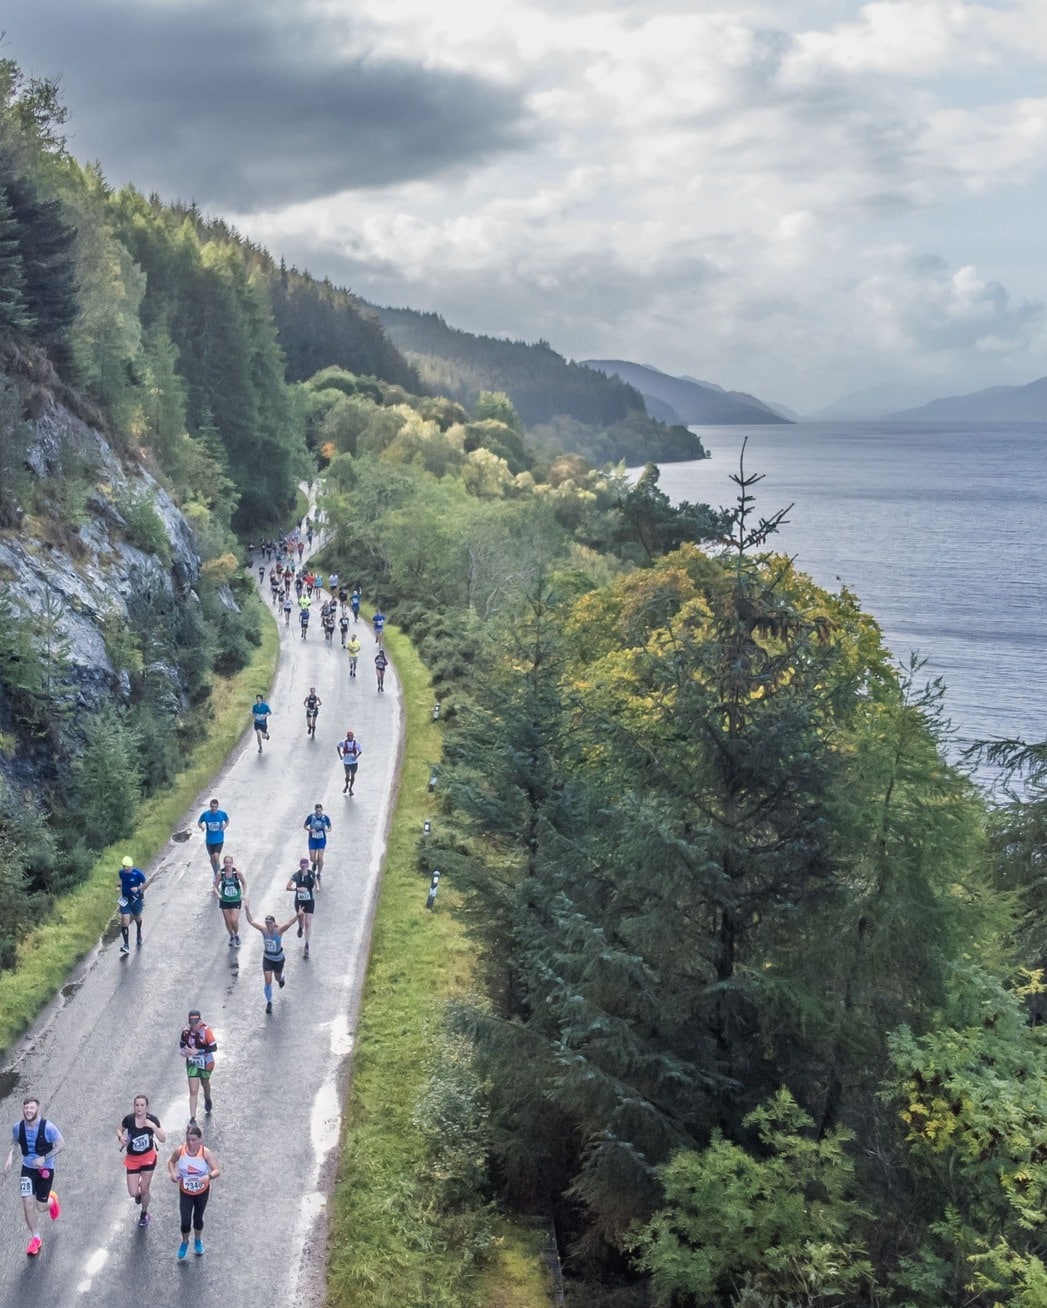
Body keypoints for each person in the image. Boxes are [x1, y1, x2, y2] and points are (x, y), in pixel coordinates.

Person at [5, 1097, 63, 1256]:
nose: (28, 1111)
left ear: (37, 1109)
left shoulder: (48, 1127)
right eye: (26, 1108)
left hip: (45, 1169)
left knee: (41, 1207)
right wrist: (10, 1154)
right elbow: (14, 1141)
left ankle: (52, 1201)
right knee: (27, 1204)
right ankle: (35, 1237)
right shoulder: (18, 1127)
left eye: (31, 1108)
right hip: (27, 1170)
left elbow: (61, 1145)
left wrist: (45, 1158)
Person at [168, 1124, 220, 1260]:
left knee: (198, 1218)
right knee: (185, 1221)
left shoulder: (205, 1152)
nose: (191, 1143)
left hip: (202, 1192)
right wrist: (173, 1173)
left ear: (200, 1140)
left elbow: (216, 1170)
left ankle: (198, 1240)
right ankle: (185, 1241)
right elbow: (171, 1162)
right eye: (188, 1140)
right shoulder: (180, 1151)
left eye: (194, 1140)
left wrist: (208, 1177)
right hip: (185, 1192)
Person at [118, 1094, 166, 1227]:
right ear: (134, 1107)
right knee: (133, 1192)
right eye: (137, 1105)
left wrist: (153, 1127)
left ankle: (144, 1214)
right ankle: (139, 1194)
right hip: (133, 1159)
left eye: (142, 1105)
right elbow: (119, 1129)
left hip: (148, 1158)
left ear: (147, 1107)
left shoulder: (152, 1120)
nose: (139, 1108)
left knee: (145, 1189)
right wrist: (120, 1137)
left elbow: (163, 1139)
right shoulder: (129, 1119)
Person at [243, 902, 301, 1012]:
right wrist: (247, 910)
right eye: (267, 923)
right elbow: (251, 921)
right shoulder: (263, 930)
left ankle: (281, 979)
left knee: (277, 978)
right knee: (268, 980)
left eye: (270, 923)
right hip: (268, 959)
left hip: (278, 959)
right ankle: (269, 1002)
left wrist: (298, 915)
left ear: (274, 924)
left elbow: (289, 923)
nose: (268, 925)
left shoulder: (279, 931)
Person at [178, 1009, 217, 1124]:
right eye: (191, 1022)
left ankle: (207, 1097)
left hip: (206, 1062)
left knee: (205, 1083)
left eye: (196, 1022)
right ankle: (193, 1117)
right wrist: (184, 1053)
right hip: (192, 1063)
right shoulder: (185, 1032)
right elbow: (181, 1045)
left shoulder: (206, 1031)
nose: (194, 1025)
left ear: (200, 1021)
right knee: (193, 1090)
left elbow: (214, 1047)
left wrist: (198, 1051)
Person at [213, 855, 246, 947]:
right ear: (224, 863)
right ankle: (231, 936)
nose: (228, 864)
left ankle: (237, 934)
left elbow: (244, 882)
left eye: (229, 863)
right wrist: (218, 894)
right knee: (227, 921)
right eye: (226, 863)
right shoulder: (220, 873)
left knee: (233, 920)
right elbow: (215, 886)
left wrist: (243, 894)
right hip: (225, 900)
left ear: (232, 863)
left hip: (235, 899)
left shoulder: (237, 872)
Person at [286, 858, 317, 957]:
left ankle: (307, 944)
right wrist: (297, 889)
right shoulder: (296, 875)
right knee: (300, 917)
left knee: (308, 923)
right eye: (302, 866)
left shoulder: (311, 874)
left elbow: (315, 881)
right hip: (299, 901)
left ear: (308, 866)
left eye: (305, 866)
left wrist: (317, 887)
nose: (303, 868)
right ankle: (300, 927)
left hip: (309, 901)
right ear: (300, 866)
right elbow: (288, 887)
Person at [117, 854, 146, 955]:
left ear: (131, 866)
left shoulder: (138, 873)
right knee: (125, 921)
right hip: (125, 900)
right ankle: (126, 945)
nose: (125, 869)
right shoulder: (121, 872)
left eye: (127, 867)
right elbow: (121, 879)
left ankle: (139, 931)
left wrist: (138, 888)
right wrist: (119, 886)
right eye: (124, 867)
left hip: (136, 900)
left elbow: (145, 883)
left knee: (137, 918)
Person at [196, 798, 229, 874]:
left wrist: (225, 826)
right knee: (212, 859)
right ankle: (216, 872)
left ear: (217, 807)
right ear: (210, 806)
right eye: (212, 807)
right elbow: (199, 822)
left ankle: (219, 873)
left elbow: (227, 820)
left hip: (219, 840)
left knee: (216, 857)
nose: (214, 808)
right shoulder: (206, 815)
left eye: (215, 807)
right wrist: (201, 827)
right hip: (209, 841)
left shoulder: (221, 814)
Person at [303, 803, 332, 882]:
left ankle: (319, 873)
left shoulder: (325, 817)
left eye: (319, 811)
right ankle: (315, 863)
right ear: (315, 810)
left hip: (321, 839)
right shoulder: (311, 817)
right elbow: (304, 826)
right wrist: (310, 830)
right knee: (312, 858)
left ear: (321, 810)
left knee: (320, 857)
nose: (318, 812)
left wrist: (327, 830)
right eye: (317, 811)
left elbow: (330, 827)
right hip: (312, 839)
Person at [338, 730, 362, 795]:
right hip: (346, 762)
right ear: (347, 737)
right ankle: (346, 785)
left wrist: (356, 756)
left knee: (353, 776)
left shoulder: (356, 743)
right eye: (349, 736)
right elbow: (338, 746)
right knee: (347, 776)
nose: (350, 737)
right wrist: (340, 755)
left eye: (351, 736)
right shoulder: (343, 742)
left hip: (354, 763)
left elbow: (360, 751)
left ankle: (350, 788)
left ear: (353, 737)